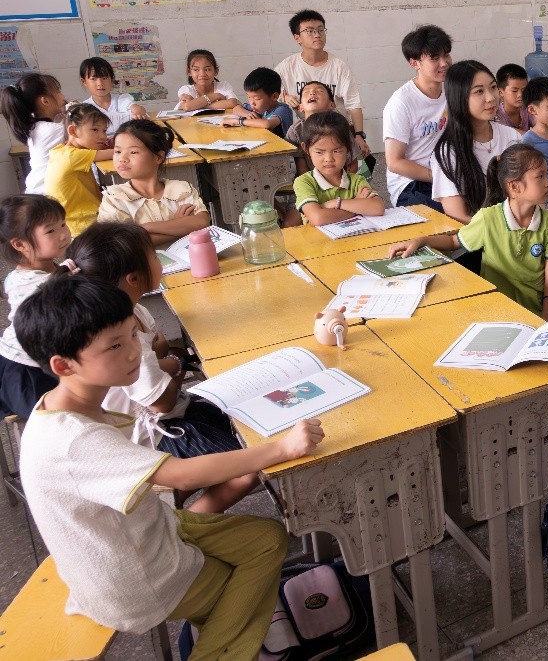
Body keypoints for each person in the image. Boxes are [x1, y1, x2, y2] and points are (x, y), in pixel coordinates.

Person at [15, 274, 323, 657]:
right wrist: (282, 448)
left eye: (131, 335)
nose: (132, 353)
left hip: (144, 531)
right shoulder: (74, 440)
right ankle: (218, 651)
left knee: (269, 538)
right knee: (237, 594)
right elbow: (180, 475)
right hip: (136, 579)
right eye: (113, 345)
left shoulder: (61, 406)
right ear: (64, 365)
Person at [62, 222, 257, 512]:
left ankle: (179, 495)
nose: (160, 261)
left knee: (245, 410)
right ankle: (187, 523)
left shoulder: (130, 310)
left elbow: (160, 346)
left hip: (171, 410)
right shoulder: (123, 339)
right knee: (249, 465)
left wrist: (167, 360)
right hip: (154, 434)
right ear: (133, 278)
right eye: (155, 256)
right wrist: (176, 364)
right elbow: (162, 402)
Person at [389, 144, 548, 321]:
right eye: (540, 176)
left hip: (541, 303)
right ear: (515, 187)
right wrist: (422, 240)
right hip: (501, 306)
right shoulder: (488, 219)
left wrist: (546, 314)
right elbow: (454, 242)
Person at [0, 194, 69, 418]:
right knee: (54, 422)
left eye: (63, 224)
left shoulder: (47, 267)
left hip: (43, 360)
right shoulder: (30, 284)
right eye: (51, 231)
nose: (63, 234)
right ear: (20, 244)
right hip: (24, 368)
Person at [431, 60, 521, 223]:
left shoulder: (511, 137)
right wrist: (502, 232)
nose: (491, 98)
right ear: (459, 98)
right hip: (478, 237)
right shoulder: (448, 152)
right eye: (479, 91)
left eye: (493, 88)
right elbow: (457, 216)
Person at [275, 9, 369, 162]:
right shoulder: (286, 68)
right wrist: (283, 97)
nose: (317, 35)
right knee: (308, 173)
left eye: (320, 30)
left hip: (338, 129)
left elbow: (354, 104)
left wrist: (359, 135)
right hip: (306, 132)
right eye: (310, 31)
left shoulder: (339, 66)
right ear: (297, 38)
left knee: (355, 171)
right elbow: (271, 97)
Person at [98, 119, 210, 246]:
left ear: (158, 157)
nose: (122, 158)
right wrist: (178, 226)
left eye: (133, 152)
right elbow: (122, 244)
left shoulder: (181, 190)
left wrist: (143, 228)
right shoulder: (115, 198)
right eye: (118, 151)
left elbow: (202, 222)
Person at [384, 24, 452, 209]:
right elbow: (395, 162)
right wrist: (438, 178)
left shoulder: (452, 90)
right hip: (411, 184)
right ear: (415, 63)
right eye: (434, 58)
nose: (444, 63)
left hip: (446, 175)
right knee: (443, 224)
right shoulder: (401, 102)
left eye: (446, 55)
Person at [292, 111, 384, 226]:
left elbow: (378, 207)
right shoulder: (304, 182)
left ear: (349, 149)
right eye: (320, 152)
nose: (328, 159)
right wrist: (356, 205)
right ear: (306, 148)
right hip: (320, 242)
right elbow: (318, 218)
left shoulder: (356, 180)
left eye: (337, 151)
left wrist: (337, 203)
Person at [284, 81, 372, 180]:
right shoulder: (295, 131)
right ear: (300, 107)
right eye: (306, 92)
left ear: (332, 105)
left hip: (345, 177)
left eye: (319, 91)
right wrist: (314, 186)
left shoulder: (340, 125)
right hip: (313, 181)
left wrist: (344, 184)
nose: (312, 93)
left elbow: (353, 161)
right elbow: (301, 168)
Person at [45, 103, 111, 236]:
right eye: (95, 130)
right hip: (81, 224)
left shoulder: (61, 151)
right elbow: (117, 154)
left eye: (104, 130)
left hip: (68, 220)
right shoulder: (73, 156)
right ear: (73, 131)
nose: (103, 137)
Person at [2, 72, 67, 194]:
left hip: (36, 190)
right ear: (45, 101)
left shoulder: (36, 127)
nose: (63, 96)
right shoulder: (54, 130)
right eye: (58, 91)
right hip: (47, 195)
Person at [79, 57, 146, 135]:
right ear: (84, 82)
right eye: (93, 79)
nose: (100, 83)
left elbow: (138, 110)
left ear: (112, 80)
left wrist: (138, 112)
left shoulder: (122, 100)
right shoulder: (84, 109)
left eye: (104, 78)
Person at [223, 68, 294, 133]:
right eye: (249, 97)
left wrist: (237, 122)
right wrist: (247, 114)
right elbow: (236, 108)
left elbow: (267, 124)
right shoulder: (261, 108)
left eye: (257, 98)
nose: (252, 103)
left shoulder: (283, 110)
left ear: (274, 96)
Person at [494, 63, 531, 133]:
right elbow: (505, 133)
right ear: (500, 92)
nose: (520, 95)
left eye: (524, 90)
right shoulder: (496, 115)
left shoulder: (529, 108)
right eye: (514, 91)